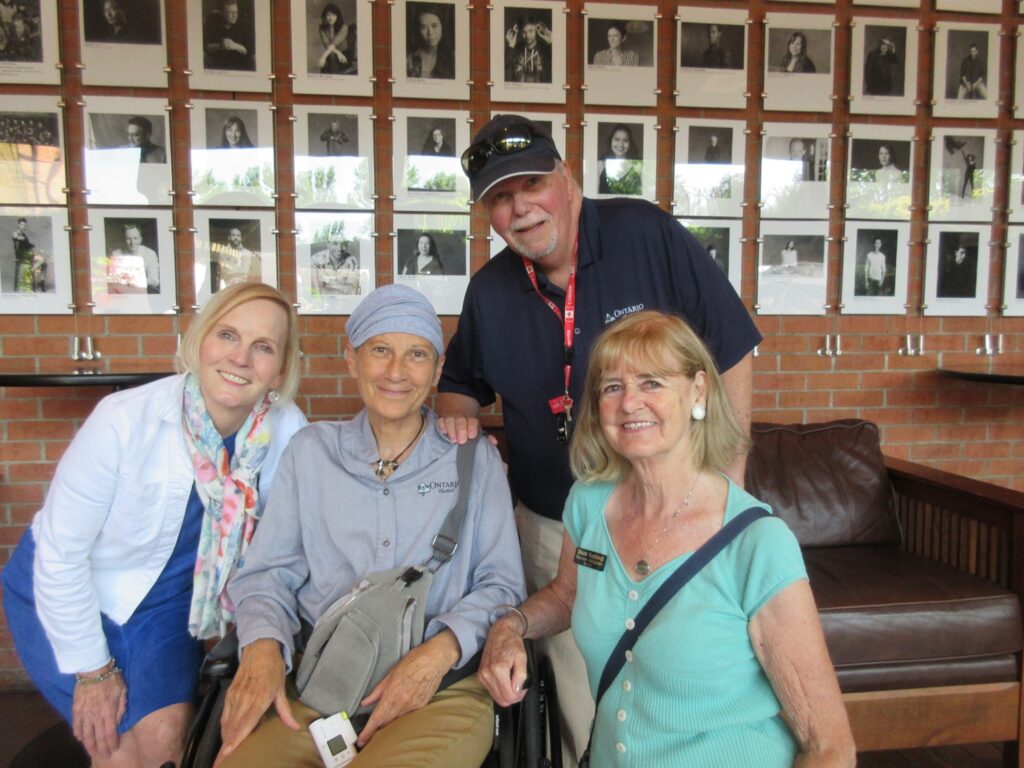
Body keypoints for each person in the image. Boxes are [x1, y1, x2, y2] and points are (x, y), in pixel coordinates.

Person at [443, 114, 760, 766]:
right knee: (583, 703)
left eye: (532, 183)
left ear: (568, 179)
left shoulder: (643, 232)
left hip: (674, 515)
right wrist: (461, 429)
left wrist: (726, 486)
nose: (520, 207)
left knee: (685, 691)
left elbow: (731, 349)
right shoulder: (489, 291)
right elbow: (456, 387)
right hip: (558, 526)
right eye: (501, 198)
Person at [477, 311, 856, 768]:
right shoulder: (588, 504)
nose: (630, 402)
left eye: (652, 382)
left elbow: (828, 745)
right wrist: (510, 626)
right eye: (612, 387)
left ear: (698, 390)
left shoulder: (758, 544)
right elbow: (566, 594)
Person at [214, 284, 526, 768]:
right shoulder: (311, 453)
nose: (397, 372)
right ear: (351, 360)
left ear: (438, 369)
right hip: (318, 682)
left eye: (417, 354)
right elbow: (267, 574)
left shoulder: (473, 459)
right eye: (380, 350)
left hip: (439, 691)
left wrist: (439, 652)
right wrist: (261, 649)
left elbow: (501, 583)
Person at [1, 283, 307, 767]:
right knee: (118, 753)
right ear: (201, 340)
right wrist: (94, 673)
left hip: (166, 609)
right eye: (227, 335)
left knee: (167, 743)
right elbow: (60, 557)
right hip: (66, 591)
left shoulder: (287, 430)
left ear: (281, 368)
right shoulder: (123, 420)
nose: (241, 357)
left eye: (263, 346)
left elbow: (292, 542)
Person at [107, 222, 160, 294]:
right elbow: (112, 279)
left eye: (135, 238)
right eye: (128, 239)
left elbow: (154, 281)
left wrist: (133, 280)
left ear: (140, 239)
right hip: (122, 294)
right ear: (123, 240)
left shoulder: (150, 254)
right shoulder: (116, 254)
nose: (132, 242)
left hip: (143, 294)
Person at [203, 0, 254, 71]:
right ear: (222, 13)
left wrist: (235, 46)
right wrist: (219, 46)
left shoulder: (243, 24)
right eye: (230, 12)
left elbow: (250, 51)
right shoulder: (213, 23)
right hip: (218, 67)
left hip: (240, 67)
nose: (234, 16)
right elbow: (205, 47)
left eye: (236, 12)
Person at [406, 4, 454, 79]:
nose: (430, 33)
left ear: (442, 26)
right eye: (423, 27)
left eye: (434, 26)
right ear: (419, 30)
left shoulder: (453, 58)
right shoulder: (411, 59)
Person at [504, 14, 552, 83]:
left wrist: (551, 43)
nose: (527, 36)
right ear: (520, 32)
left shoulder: (545, 48)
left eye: (531, 31)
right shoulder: (515, 49)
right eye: (524, 32)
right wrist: (510, 45)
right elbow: (505, 71)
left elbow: (557, 69)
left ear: (536, 30)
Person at [598, 124, 642, 196]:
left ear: (630, 144)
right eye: (617, 139)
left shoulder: (638, 166)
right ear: (611, 141)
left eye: (625, 141)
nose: (620, 144)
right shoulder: (600, 165)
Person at [212, 226, 261, 290]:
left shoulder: (246, 253)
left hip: (244, 287)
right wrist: (239, 271)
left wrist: (233, 269)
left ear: (241, 238)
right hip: (228, 287)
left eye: (238, 236)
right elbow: (225, 272)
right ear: (229, 238)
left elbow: (245, 271)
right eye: (233, 235)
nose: (236, 238)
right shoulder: (223, 252)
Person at [317, 3, 352, 74]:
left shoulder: (343, 27)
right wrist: (338, 53)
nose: (330, 18)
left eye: (333, 15)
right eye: (328, 15)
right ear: (324, 16)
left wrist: (323, 57)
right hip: (331, 53)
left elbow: (335, 43)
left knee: (328, 60)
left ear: (337, 16)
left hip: (344, 54)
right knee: (330, 58)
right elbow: (327, 45)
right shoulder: (322, 29)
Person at [12, 216, 36, 292]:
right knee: (39, 261)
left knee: (42, 262)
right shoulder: (16, 233)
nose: (23, 227)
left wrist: (33, 245)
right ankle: (26, 283)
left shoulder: (24, 235)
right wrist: (20, 238)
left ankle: (30, 281)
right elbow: (15, 238)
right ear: (18, 225)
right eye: (22, 225)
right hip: (21, 255)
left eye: (25, 225)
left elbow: (27, 244)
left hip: (27, 254)